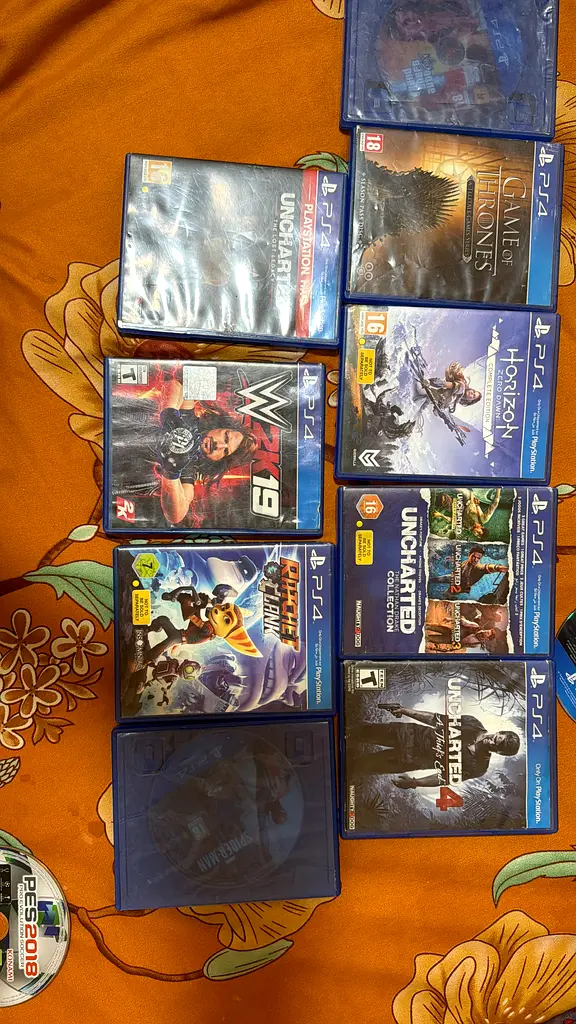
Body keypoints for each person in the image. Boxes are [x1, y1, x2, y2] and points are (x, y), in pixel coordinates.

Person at [111, 377, 257, 526]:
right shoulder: (189, 419)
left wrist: (171, 472)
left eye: (225, 451)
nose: (218, 445)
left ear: (220, 461)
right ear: (219, 426)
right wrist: (170, 413)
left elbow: (176, 515)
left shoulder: (188, 473)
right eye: (226, 436)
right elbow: (176, 385)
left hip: (110, 467)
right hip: (114, 418)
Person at [350, 703, 520, 788]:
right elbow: (435, 719)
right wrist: (403, 710)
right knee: (355, 732)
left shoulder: (479, 767)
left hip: (406, 760)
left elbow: (443, 778)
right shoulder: (473, 723)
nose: (490, 741)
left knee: (357, 766)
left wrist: (415, 783)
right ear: (500, 731)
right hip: (406, 733)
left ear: (498, 752)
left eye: (495, 745)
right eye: (495, 737)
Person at [431, 546, 508, 596]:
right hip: (453, 577)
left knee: (446, 594)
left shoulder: (478, 567)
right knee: (435, 579)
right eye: (474, 556)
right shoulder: (465, 563)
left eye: (478, 558)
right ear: (469, 555)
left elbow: (486, 567)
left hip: (460, 586)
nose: (475, 559)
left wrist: (499, 568)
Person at [432, 487, 502, 539]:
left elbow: (453, 521)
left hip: (459, 509)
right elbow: (494, 505)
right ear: (482, 527)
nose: (475, 533)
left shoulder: (467, 527)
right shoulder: (484, 519)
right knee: (461, 490)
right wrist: (498, 489)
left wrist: (440, 515)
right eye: (479, 532)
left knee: (443, 500)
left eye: (477, 535)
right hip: (468, 498)